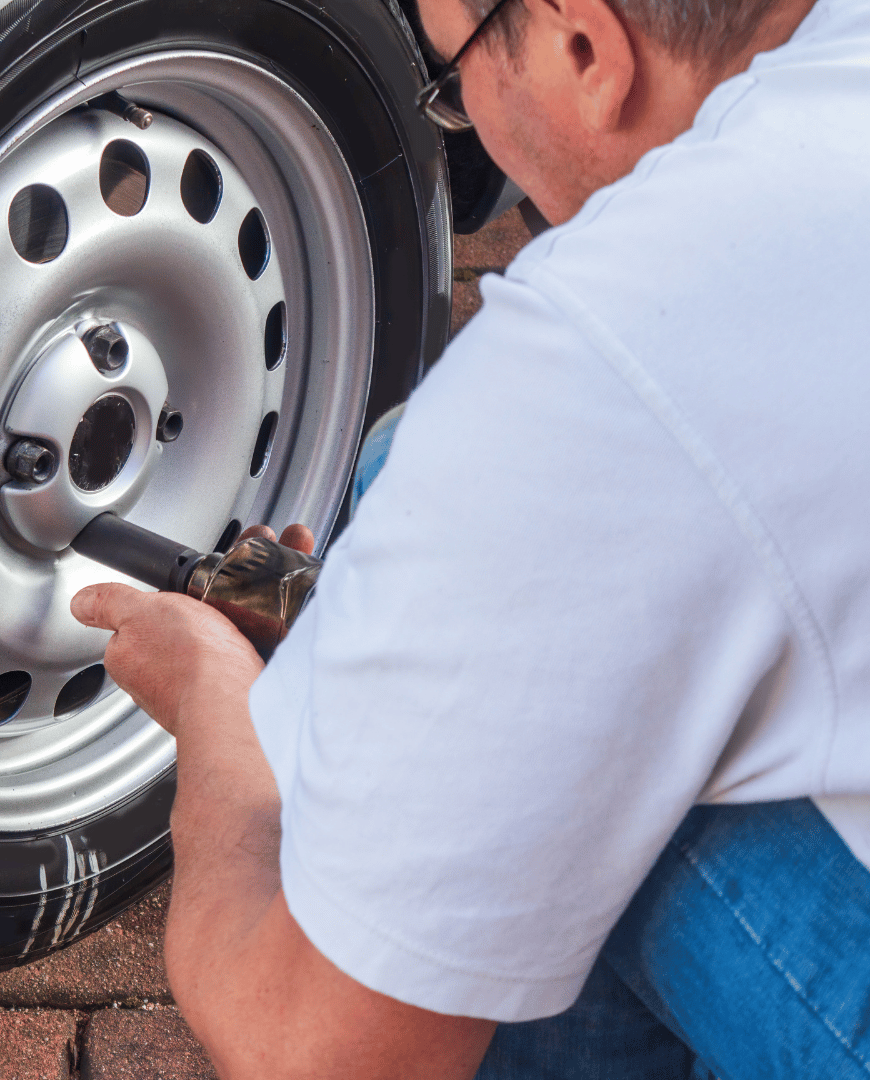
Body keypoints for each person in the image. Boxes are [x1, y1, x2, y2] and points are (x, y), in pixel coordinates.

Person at [71, 0, 870, 1070]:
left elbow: (311, 1052)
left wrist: (228, 719)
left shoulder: (600, 354)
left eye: (451, 82)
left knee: (537, 763)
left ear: (583, 46)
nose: (465, 119)